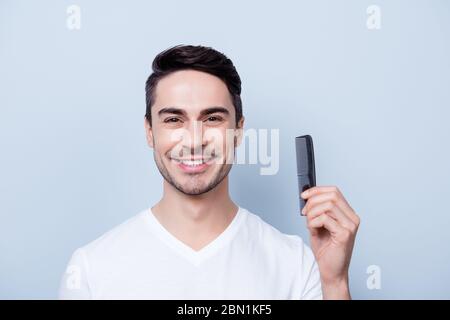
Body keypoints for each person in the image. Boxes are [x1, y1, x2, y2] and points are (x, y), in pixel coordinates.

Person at [59, 45, 360, 299]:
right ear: (149, 132)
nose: (194, 140)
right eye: (174, 120)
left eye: (212, 118)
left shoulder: (296, 264)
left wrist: (334, 283)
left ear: (239, 131)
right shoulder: (90, 271)